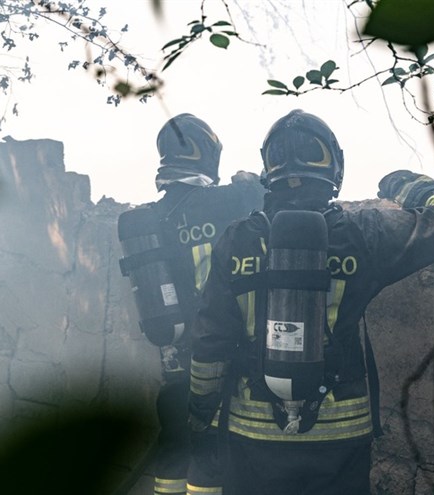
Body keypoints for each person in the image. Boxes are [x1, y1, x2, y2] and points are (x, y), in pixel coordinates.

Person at [187, 109, 434, 495]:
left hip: (252, 436)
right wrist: (405, 184)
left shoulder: (236, 240)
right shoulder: (363, 232)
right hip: (340, 436)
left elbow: (209, 342)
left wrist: (200, 412)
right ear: (333, 167)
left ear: (270, 170)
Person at [117, 113, 263, 495]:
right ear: (208, 156)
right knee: (210, 460)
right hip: (218, 363)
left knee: (172, 454)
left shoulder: (149, 219)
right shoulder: (230, 200)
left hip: (173, 363)